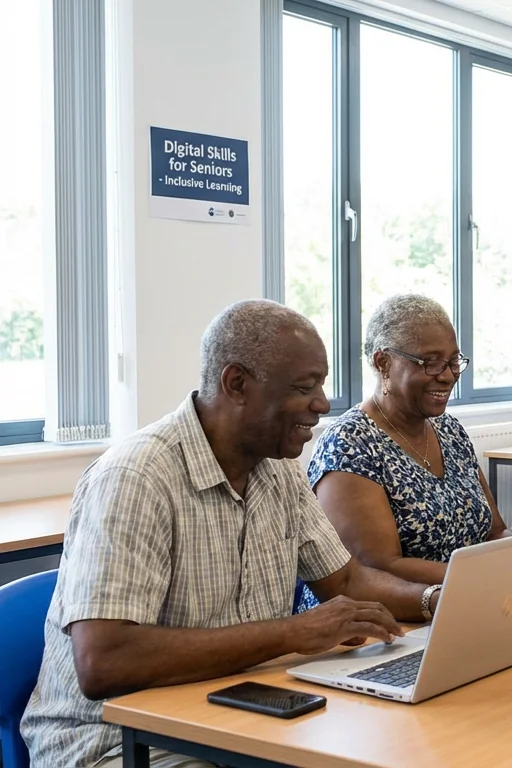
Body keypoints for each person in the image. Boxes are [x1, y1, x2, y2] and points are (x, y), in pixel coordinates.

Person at [22, 300, 442, 768]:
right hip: (116, 741)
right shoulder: (135, 479)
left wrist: (436, 600)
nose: (322, 405)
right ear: (236, 384)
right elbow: (104, 662)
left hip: (238, 713)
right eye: (305, 388)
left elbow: (343, 583)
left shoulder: (276, 469)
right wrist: (293, 633)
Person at [301, 294, 512, 612]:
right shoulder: (349, 444)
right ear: (383, 363)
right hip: (386, 627)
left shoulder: (449, 430)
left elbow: (495, 531)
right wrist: (494, 575)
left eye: (454, 361)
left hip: (471, 606)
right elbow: (377, 568)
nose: (448, 375)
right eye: (430, 362)